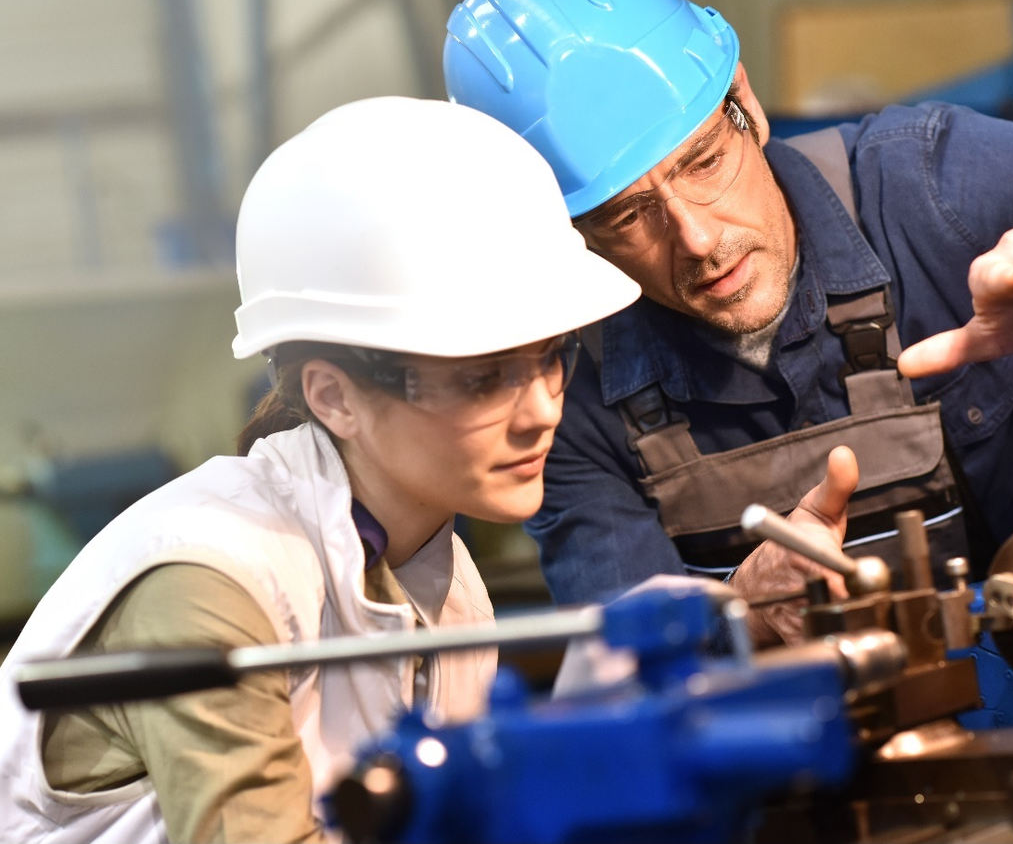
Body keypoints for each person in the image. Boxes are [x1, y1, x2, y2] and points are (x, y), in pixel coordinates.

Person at [443, 0, 1013, 647]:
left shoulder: (929, 191)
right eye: (628, 216)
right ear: (570, 236)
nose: (697, 239)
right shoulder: (564, 393)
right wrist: (734, 616)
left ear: (745, 101)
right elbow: (625, 685)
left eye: (702, 162)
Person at [0, 97, 642, 843]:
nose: (541, 411)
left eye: (550, 358)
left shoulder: (453, 595)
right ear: (333, 396)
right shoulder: (211, 582)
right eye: (482, 376)